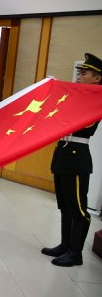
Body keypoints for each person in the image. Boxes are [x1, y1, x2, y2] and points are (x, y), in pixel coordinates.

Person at [42, 53, 102, 267]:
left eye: (84, 74)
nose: (78, 76)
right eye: (79, 73)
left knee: (78, 208)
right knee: (65, 205)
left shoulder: (96, 100)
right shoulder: (78, 97)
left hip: (77, 157)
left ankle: (75, 253)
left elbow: (75, 121)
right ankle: (65, 245)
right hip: (64, 154)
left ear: (97, 78)